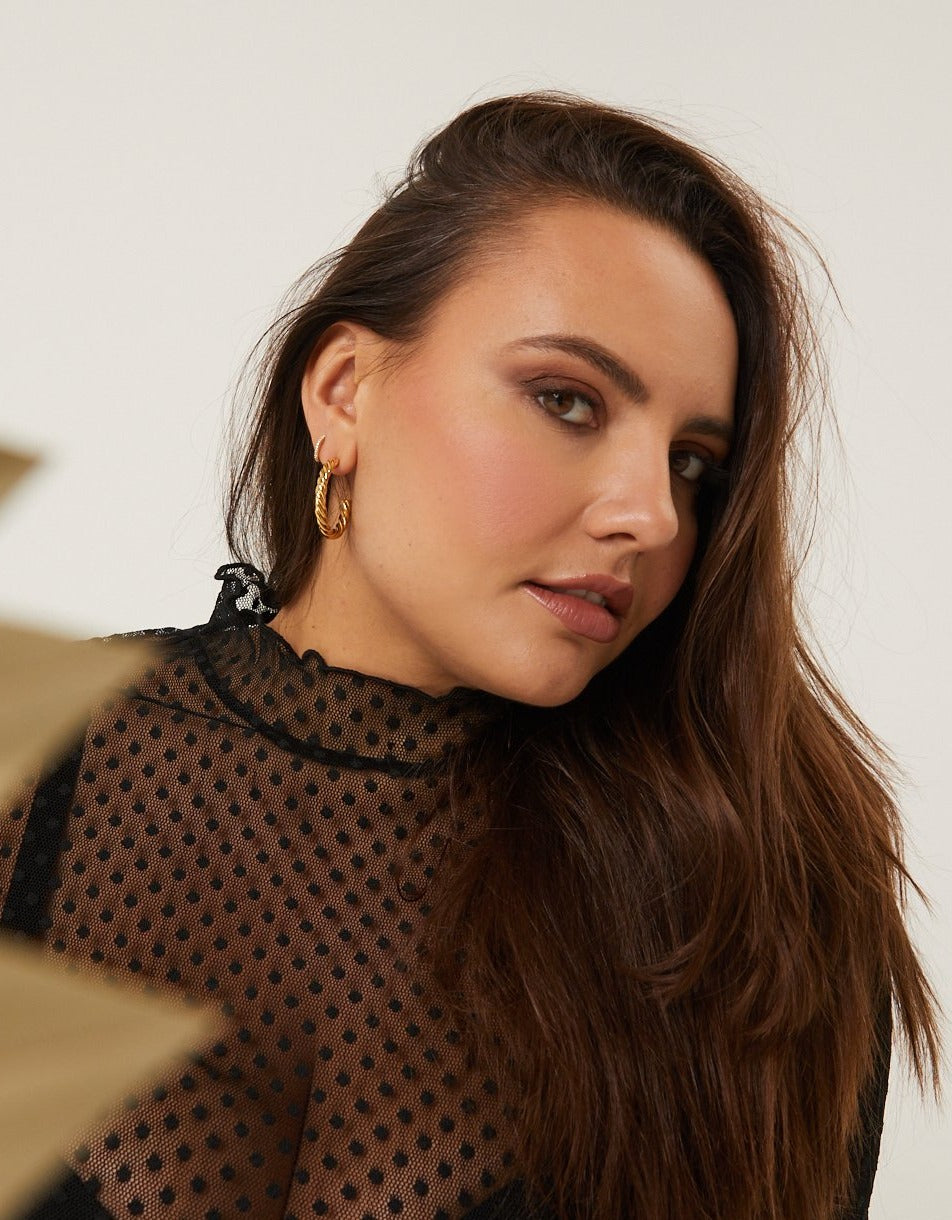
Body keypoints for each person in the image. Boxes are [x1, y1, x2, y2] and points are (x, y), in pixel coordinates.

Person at [0, 92, 939, 1220]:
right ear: (343, 392)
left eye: (693, 462)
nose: (650, 513)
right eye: (567, 400)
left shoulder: (755, 905)